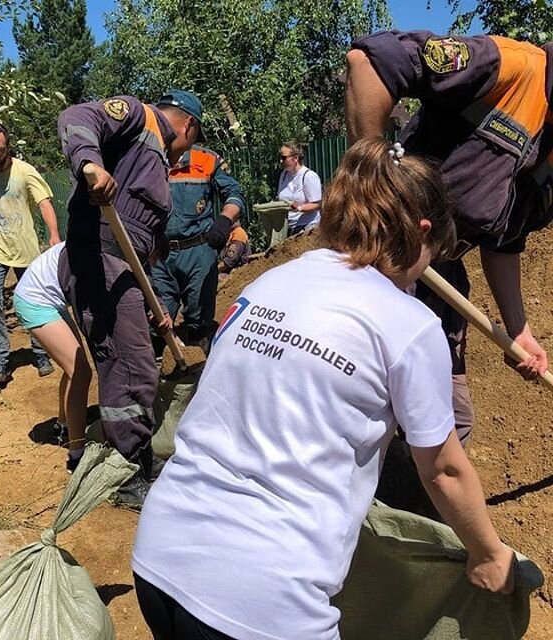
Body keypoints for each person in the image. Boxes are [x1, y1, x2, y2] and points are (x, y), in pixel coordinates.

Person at [131, 138, 514, 640]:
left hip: (159, 556)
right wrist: (489, 554)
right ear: (422, 232)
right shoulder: (410, 323)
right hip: (262, 599)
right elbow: (442, 468)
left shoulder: (266, 285)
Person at [345, 31, 553, 445]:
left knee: (448, 423)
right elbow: (368, 62)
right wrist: (372, 177)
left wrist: (519, 330)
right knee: (355, 399)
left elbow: (503, 241)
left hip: (439, 277)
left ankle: (409, 491)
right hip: (378, 257)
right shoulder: (509, 65)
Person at [57, 89, 204, 508]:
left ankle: (136, 460)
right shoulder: (138, 118)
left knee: (139, 363)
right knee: (127, 366)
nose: (185, 155)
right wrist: (89, 164)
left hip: (123, 270)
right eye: (191, 144)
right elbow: (77, 116)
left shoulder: (152, 157)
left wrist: (152, 300)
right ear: (188, 127)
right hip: (98, 261)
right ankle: (123, 473)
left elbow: (143, 245)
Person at [0, 122, 60, 385]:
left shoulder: (25, 171)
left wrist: (53, 234)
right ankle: (1, 362)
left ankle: (41, 354)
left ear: (8, 146)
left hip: (26, 251)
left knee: (35, 303)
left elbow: (45, 202)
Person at [150, 138, 245, 356]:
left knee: (199, 322)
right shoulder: (149, 159)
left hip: (198, 252)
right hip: (159, 255)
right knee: (156, 321)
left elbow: (234, 194)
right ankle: (157, 380)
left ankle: (200, 375)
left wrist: (224, 221)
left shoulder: (207, 159)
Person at [14, 242, 92, 473]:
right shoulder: (93, 247)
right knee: (80, 371)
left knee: (74, 367)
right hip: (35, 300)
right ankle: (76, 455)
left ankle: (63, 423)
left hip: (51, 298)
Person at [277, 139, 323, 235]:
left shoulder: (308, 176)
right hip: (288, 227)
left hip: (307, 227)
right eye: (280, 157)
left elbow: (318, 205)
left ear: (295, 158)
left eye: (284, 157)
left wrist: (299, 208)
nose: (281, 161)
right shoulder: (284, 175)